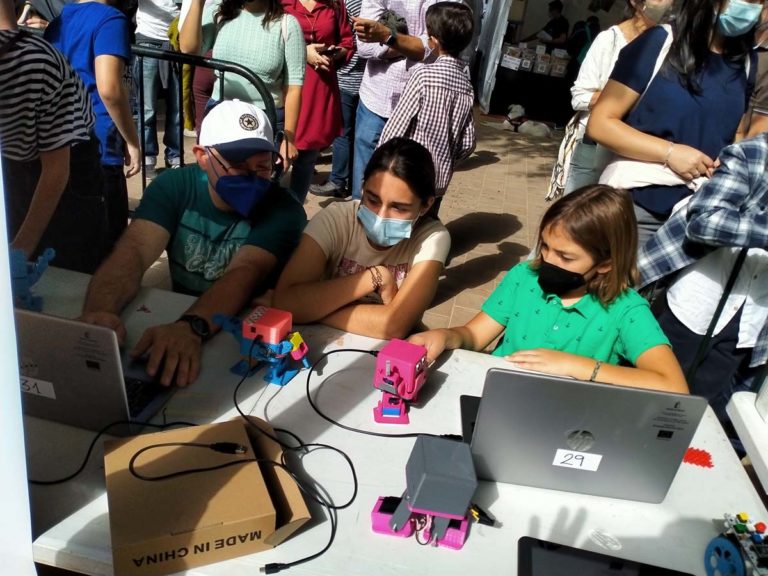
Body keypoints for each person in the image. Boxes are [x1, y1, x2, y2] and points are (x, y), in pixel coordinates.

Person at [80, 100, 307, 387]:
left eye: (262, 167)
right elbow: (134, 250)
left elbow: (246, 271)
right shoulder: (174, 187)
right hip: (185, 327)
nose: (251, 178)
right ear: (202, 156)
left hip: (240, 342)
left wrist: (191, 327)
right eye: (237, 166)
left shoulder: (284, 210)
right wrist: (100, 312)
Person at [409, 184, 688, 394]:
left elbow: (673, 386)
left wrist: (575, 366)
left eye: (565, 257)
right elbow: (474, 335)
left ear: (605, 264)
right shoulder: (524, 278)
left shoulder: (626, 310)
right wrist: (446, 336)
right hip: (497, 396)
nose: (547, 261)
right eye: (545, 246)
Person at [587, 0, 760, 245]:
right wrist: (669, 152)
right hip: (635, 208)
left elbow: (737, 132)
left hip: (700, 214)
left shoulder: (746, 62)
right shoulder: (658, 42)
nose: (751, 6)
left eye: (759, 1)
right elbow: (601, 123)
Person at [638, 133, 768, 426]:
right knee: (652, 400)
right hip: (701, 302)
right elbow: (705, 222)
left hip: (752, 316)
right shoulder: (754, 154)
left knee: (699, 414)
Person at [273, 138, 450, 339]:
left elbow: (394, 326)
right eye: (373, 200)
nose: (381, 216)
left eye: (398, 207)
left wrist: (311, 311)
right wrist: (372, 278)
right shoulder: (336, 219)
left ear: (426, 205)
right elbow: (287, 300)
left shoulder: (433, 238)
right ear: (363, 188)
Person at [1, 0, 109, 273]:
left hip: (65, 180)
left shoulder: (37, 60)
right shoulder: (37, 59)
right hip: (24, 169)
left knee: (65, 276)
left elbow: (55, 172)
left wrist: (18, 252)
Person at [45, 0, 142, 250]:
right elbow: (109, 88)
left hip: (64, 141)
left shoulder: (58, 23)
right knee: (109, 246)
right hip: (99, 146)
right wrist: (132, 141)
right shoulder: (110, 19)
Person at [560, 0, 672, 196]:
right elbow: (580, 96)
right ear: (636, 2)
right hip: (595, 148)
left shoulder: (669, 44)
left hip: (637, 152)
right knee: (579, 214)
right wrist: (625, 97)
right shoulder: (609, 40)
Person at [179, 0, 305, 172]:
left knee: (257, 188)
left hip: (264, 122)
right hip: (220, 114)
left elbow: (293, 88)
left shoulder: (287, 25)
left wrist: (289, 138)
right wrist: (197, 3)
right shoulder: (219, 14)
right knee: (216, 184)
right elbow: (188, 48)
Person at [378, 1, 475, 217]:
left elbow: (395, 128)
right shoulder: (466, 87)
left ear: (434, 41)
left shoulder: (422, 76)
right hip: (438, 181)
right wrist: (446, 159)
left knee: (397, 226)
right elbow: (468, 143)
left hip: (407, 175)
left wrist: (379, 161)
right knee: (425, 229)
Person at [347, 0, 441, 201]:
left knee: (409, 185)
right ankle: (359, 229)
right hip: (376, 97)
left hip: (422, 103)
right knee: (363, 189)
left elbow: (436, 47)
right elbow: (365, 47)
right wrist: (412, 45)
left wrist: (387, 36)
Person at [282, 0, 354, 204]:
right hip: (286, 85)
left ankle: (294, 212)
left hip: (319, 89)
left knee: (306, 159)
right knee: (277, 159)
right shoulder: (281, 3)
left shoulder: (335, 4)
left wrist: (336, 53)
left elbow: (348, 43)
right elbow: (268, 36)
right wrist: (303, 51)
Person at [308, 0, 366, 200]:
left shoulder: (348, 4)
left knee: (343, 133)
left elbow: (351, 42)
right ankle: (352, 183)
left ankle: (338, 180)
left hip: (348, 76)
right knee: (358, 136)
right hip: (364, 79)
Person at [133, 0, 182, 178]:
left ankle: (175, 156)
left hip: (177, 40)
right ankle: (147, 157)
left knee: (177, 107)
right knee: (147, 108)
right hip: (148, 39)